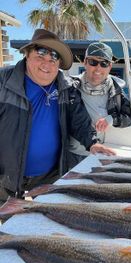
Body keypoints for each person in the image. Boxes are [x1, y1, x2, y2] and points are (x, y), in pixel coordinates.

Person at [0, 29, 115, 203]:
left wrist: (92, 143)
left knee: (45, 220)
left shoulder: (67, 87)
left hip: (49, 175)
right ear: (27, 55)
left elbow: (78, 120)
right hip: (5, 177)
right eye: (40, 54)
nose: (47, 63)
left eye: (54, 57)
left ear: (59, 62)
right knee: (7, 225)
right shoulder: (3, 81)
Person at [68, 42, 131, 166]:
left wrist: (111, 119)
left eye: (104, 63)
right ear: (85, 62)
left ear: (110, 66)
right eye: (93, 62)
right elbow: (77, 121)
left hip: (103, 152)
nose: (98, 68)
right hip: (73, 155)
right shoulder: (71, 88)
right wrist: (92, 144)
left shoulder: (116, 90)